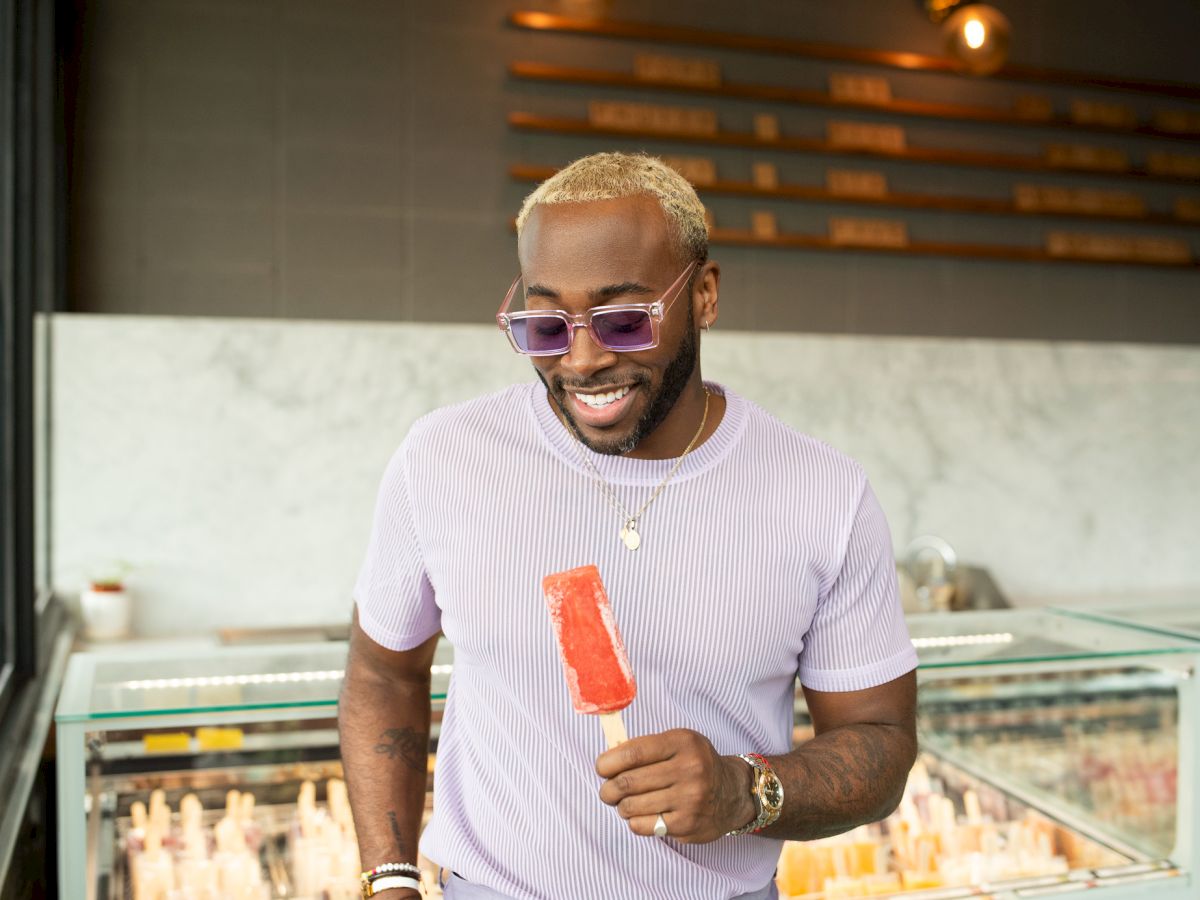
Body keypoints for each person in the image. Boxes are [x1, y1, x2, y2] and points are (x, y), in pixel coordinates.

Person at [339, 152, 919, 900]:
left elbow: (882, 744)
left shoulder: (824, 493)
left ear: (704, 296)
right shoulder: (444, 458)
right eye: (547, 325)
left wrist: (747, 791)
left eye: (621, 319)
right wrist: (388, 878)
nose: (582, 360)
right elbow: (383, 672)